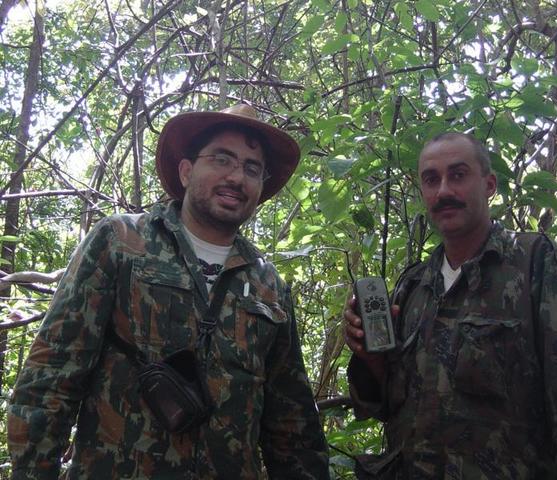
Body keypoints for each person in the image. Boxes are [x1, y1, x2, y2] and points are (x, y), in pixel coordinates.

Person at [8, 104, 330, 479]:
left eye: (251, 168)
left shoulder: (268, 285)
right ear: (186, 170)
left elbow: (291, 424)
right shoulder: (121, 242)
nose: (236, 177)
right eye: (222, 159)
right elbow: (51, 376)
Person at [344, 132, 557, 479]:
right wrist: (371, 360)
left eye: (457, 175)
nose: (443, 192)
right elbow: (385, 408)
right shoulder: (413, 286)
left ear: (489, 185)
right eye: (431, 179)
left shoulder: (537, 265)